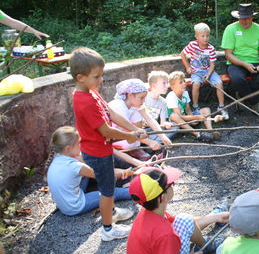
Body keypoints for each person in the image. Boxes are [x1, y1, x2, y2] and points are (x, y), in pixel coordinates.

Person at [71, 47, 147, 241]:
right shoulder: (84, 101)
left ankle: (111, 211)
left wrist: (133, 130)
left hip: (102, 149)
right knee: (106, 190)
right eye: (97, 77)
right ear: (80, 77)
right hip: (96, 153)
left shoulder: (92, 92)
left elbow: (112, 114)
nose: (101, 80)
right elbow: (105, 130)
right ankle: (108, 229)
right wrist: (129, 136)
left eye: (101, 75)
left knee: (109, 185)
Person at [126, 167, 228, 254]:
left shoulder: (147, 213)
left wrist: (214, 217)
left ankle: (216, 217)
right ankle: (205, 245)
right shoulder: (166, 235)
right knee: (184, 219)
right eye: (170, 185)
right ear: (162, 197)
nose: (172, 186)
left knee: (184, 220)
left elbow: (185, 224)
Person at [47, 126, 133, 217]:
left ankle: (96, 187)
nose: (81, 146)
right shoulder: (74, 166)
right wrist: (124, 173)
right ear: (69, 148)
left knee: (90, 162)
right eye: (79, 143)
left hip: (64, 202)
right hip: (75, 206)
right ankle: (135, 192)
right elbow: (104, 174)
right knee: (112, 192)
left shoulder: (58, 157)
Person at [108, 78, 171, 164]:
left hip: (131, 137)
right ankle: (131, 150)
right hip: (117, 140)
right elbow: (129, 130)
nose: (143, 101)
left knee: (137, 114)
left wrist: (162, 136)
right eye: (141, 98)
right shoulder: (119, 106)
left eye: (144, 98)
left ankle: (135, 148)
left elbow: (150, 119)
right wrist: (150, 142)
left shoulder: (135, 104)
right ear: (130, 95)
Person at [221, 3, 259, 107]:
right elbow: (228, 54)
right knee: (237, 79)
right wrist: (245, 64)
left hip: (255, 61)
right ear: (238, 18)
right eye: (243, 18)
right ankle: (253, 102)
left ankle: (242, 95)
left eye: (248, 18)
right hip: (236, 62)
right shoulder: (230, 29)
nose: (245, 21)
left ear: (252, 17)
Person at [181, 23, 229, 120]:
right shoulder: (192, 45)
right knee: (196, 84)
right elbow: (182, 54)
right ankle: (195, 106)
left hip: (208, 71)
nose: (205, 38)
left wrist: (208, 74)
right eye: (202, 36)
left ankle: (221, 106)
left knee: (219, 83)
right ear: (196, 36)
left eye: (207, 36)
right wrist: (187, 67)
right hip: (196, 72)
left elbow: (212, 64)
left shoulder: (211, 48)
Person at [166, 71, 219, 142]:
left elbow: (188, 110)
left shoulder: (185, 93)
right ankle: (197, 134)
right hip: (176, 122)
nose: (184, 84)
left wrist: (192, 120)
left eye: (184, 81)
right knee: (174, 116)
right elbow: (180, 117)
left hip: (185, 118)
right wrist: (196, 117)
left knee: (206, 109)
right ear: (172, 87)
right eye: (180, 82)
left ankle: (210, 130)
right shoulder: (171, 96)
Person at [144, 70, 177, 140]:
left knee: (175, 127)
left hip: (154, 129)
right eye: (164, 83)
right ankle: (154, 142)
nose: (167, 86)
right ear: (154, 85)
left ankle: (154, 142)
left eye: (167, 83)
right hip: (142, 129)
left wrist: (166, 124)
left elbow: (162, 123)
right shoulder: (144, 97)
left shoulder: (163, 102)